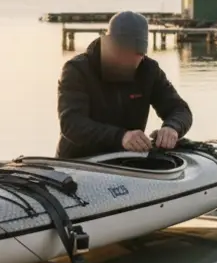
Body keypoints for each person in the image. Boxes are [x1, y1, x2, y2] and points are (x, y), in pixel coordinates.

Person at [55, 10, 193, 159]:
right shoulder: (77, 70)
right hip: (77, 162)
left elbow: (180, 109)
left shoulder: (148, 70)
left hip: (126, 164)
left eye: (138, 55)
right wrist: (121, 137)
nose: (131, 62)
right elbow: (72, 124)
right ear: (109, 44)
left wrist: (172, 128)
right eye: (125, 53)